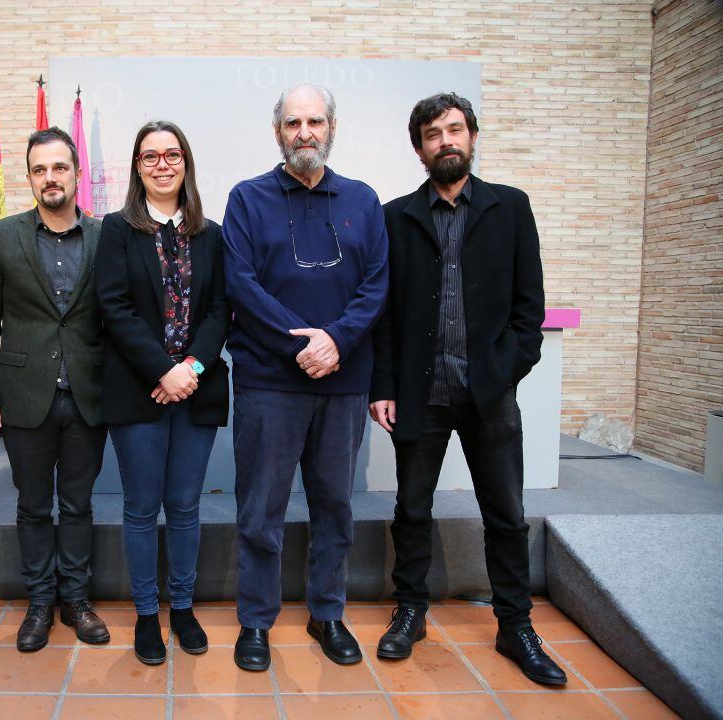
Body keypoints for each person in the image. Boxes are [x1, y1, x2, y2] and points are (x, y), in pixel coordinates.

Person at [370, 92, 566, 685]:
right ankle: (411, 611)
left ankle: (515, 625)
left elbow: (528, 314)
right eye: (433, 134)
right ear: (419, 148)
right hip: (419, 393)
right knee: (411, 509)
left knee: (506, 514)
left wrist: (501, 374)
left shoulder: (511, 209)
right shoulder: (394, 217)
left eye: (455, 130)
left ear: (473, 137)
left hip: (490, 395)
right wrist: (381, 385)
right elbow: (383, 314)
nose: (445, 141)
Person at [222, 84, 388, 671]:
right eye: (293, 122)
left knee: (334, 508)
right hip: (270, 382)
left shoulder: (364, 201)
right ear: (278, 133)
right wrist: (306, 342)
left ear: (332, 126)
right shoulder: (246, 199)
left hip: (343, 383)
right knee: (260, 510)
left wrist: (337, 340)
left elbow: (377, 287)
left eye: (314, 120)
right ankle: (256, 622)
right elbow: (242, 285)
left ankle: (327, 613)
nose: (304, 132)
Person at [0, 127, 109, 652]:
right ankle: (39, 603)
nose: (50, 178)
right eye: (39, 169)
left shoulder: (103, 236)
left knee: (77, 505)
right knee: (32, 505)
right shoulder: (3, 237)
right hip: (23, 396)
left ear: (76, 174)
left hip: (87, 397)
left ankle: (76, 599)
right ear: (29, 177)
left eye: (59, 168)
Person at [95, 121, 230, 665]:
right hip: (138, 392)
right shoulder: (116, 230)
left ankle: (183, 606)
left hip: (196, 389)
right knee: (140, 508)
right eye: (150, 156)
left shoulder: (212, 234)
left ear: (186, 163)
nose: (162, 164)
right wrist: (162, 371)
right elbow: (114, 308)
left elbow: (221, 307)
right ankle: (147, 613)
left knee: (185, 507)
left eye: (172, 155)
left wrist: (191, 367)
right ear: (137, 167)